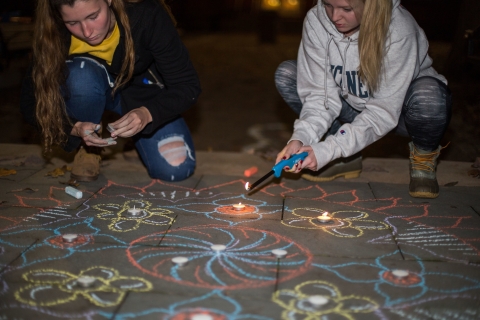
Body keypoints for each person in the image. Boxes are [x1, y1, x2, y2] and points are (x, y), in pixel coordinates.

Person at [274, 0, 451, 199]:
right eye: (328, 5)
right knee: (288, 74)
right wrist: (301, 138)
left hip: (401, 113)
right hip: (350, 106)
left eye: (346, 9)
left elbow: (382, 111)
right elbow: (320, 96)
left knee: (429, 95)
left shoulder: (399, 28)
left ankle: (423, 157)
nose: (334, 16)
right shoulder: (317, 20)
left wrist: (329, 149)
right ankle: (347, 159)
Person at [20, 0, 201, 182]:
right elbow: (30, 102)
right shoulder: (54, 32)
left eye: (93, 16)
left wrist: (148, 113)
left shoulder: (146, 14)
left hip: (142, 95)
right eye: (72, 23)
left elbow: (187, 85)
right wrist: (73, 128)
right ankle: (88, 148)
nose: (87, 32)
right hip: (88, 89)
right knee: (81, 75)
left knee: (175, 169)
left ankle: (135, 139)